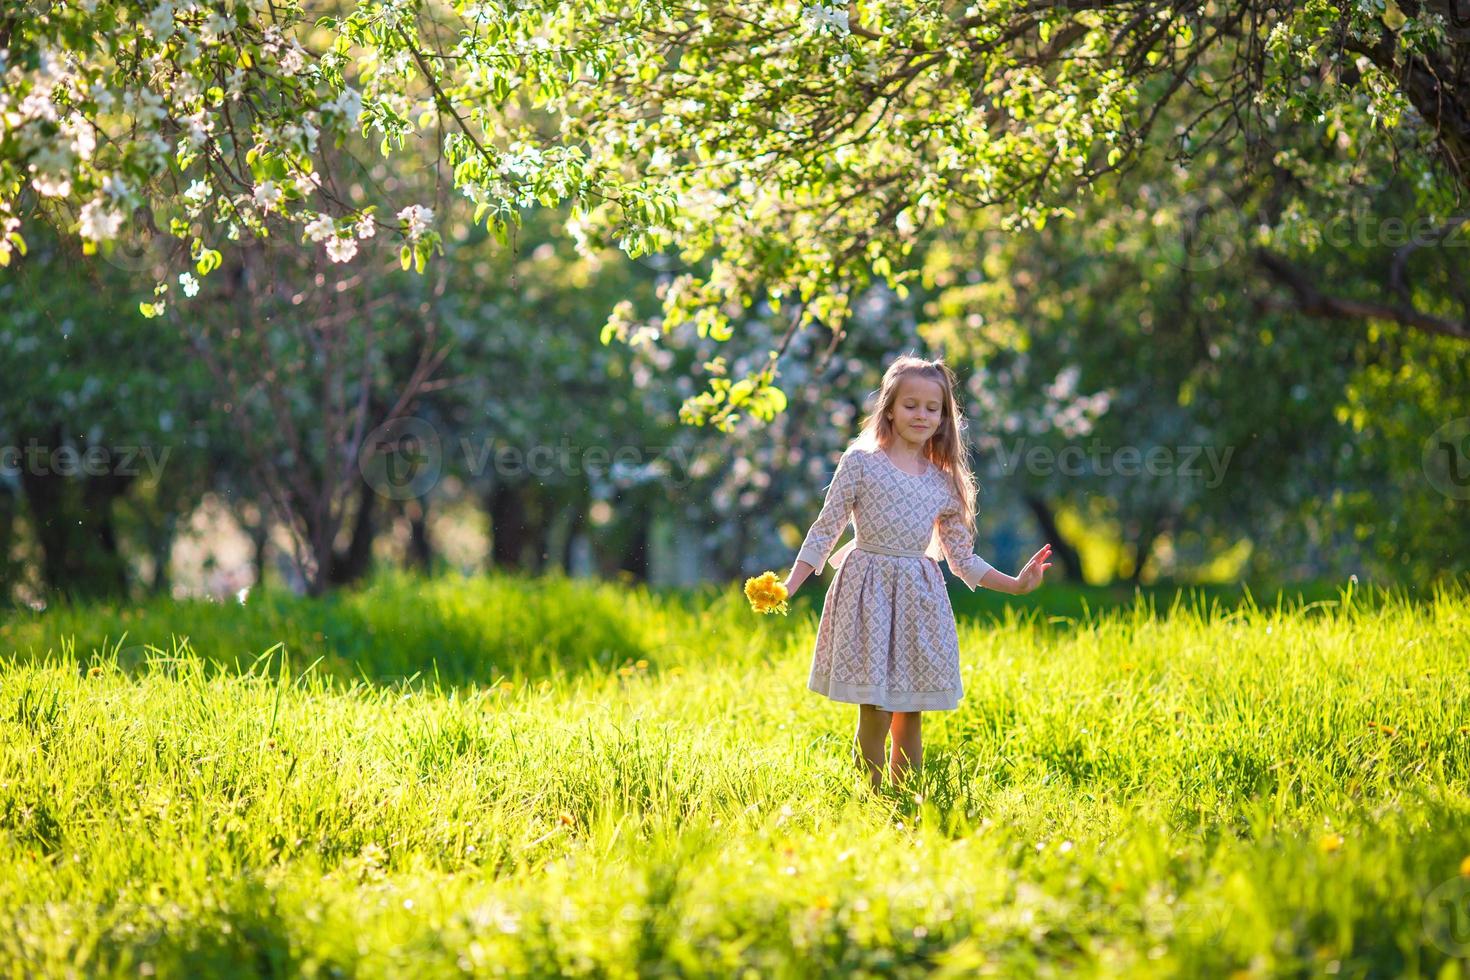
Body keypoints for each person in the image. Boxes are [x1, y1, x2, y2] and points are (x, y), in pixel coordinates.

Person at [783, 353, 1052, 792]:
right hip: (867, 589)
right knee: (876, 706)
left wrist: (1017, 585)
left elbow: (962, 558)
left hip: (917, 596)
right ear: (889, 407)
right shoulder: (861, 462)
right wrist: (789, 585)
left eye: (933, 407)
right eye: (911, 405)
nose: (922, 415)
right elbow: (825, 529)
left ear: (946, 416)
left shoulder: (944, 480)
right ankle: (870, 793)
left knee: (910, 708)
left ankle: (905, 796)